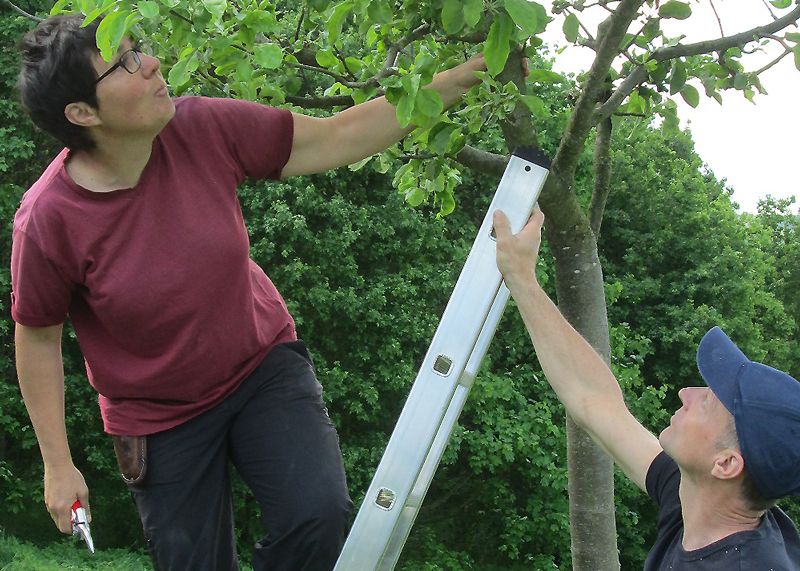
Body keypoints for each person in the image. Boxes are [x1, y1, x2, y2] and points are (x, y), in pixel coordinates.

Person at [11, 14, 487, 570]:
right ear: (82, 113)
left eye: (139, 49)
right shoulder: (47, 220)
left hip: (260, 367)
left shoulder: (201, 128)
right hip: (157, 416)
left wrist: (460, 80)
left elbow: (338, 134)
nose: (153, 64)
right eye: (128, 63)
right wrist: (57, 463)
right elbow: (38, 337)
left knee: (318, 516)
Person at [493, 208, 800, 569]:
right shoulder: (700, 499)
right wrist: (521, 278)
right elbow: (595, 401)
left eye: (708, 402)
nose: (687, 393)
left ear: (727, 463)